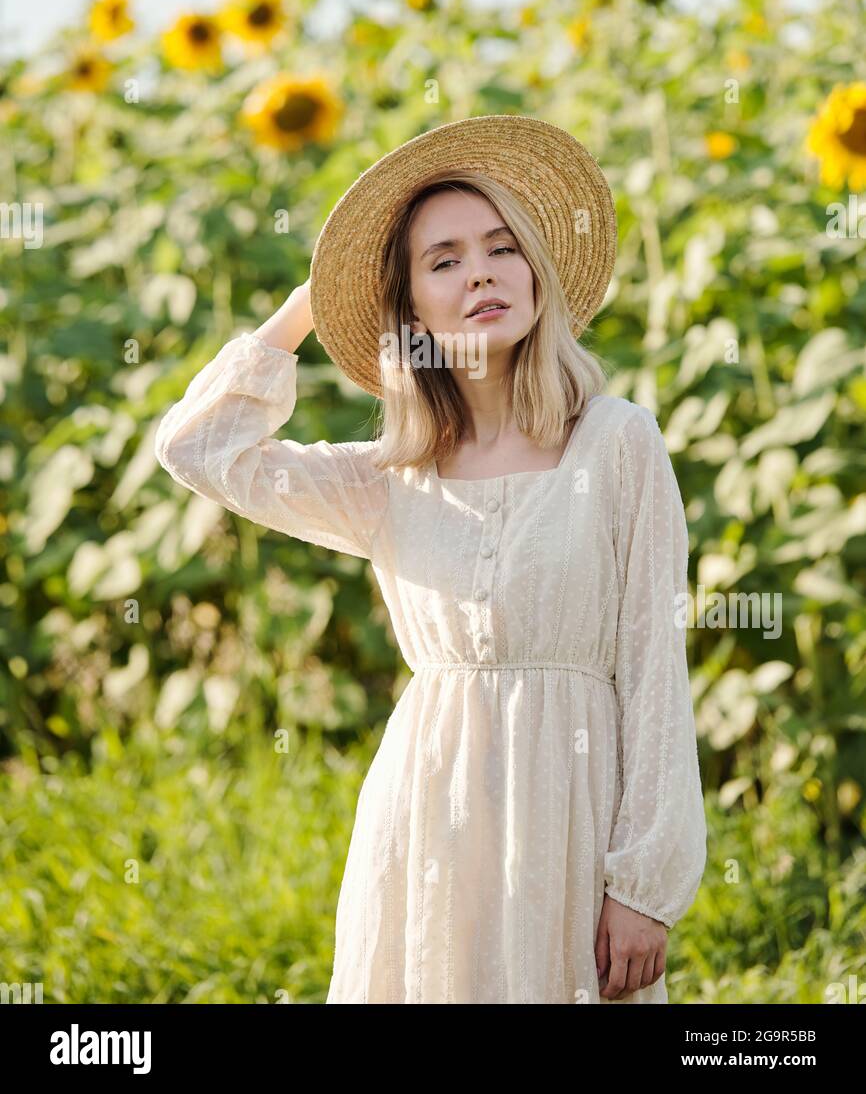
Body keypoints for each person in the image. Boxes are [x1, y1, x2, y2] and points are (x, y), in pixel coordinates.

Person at [154, 114, 707, 1004]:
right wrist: (313, 301)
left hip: (570, 819)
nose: (481, 271)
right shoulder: (391, 478)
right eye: (443, 260)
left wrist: (644, 884)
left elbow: (652, 669)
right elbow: (197, 448)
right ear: (409, 311)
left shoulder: (616, 443)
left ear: (537, 270)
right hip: (429, 822)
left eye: (501, 247)